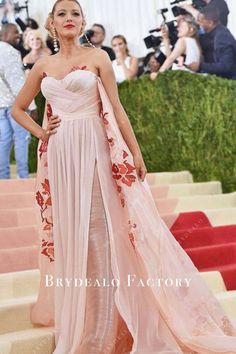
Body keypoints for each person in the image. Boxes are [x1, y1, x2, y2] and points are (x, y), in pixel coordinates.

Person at [12, 0, 236, 353]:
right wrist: (41, 133)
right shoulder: (42, 65)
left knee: (99, 235)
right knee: (74, 238)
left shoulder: (98, 58)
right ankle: (81, 323)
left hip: (96, 150)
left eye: (74, 13)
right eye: (61, 14)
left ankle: (103, 332)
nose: (69, 19)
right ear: (52, 24)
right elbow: (16, 108)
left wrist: (136, 152)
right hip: (60, 156)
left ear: (82, 21)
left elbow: (117, 110)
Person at [0, 23, 30, 179]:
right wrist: (29, 106)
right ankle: (23, 178)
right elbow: (17, 83)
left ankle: (3, 180)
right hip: (15, 107)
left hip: (1, 107)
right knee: (21, 140)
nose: (18, 35)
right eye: (15, 32)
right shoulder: (9, 52)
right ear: (4, 35)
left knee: (3, 143)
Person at [187, 6, 236, 80]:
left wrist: (200, 66)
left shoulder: (221, 37)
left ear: (210, 23)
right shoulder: (218, 32)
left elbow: (226, 66)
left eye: (200, 21)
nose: (198, 23)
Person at [150, 15, 201, 80]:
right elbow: (172, 59)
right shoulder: (194, 42)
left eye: (182, 27)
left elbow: (171, 59)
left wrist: (159, 74)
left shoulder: (183, 40)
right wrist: (166, 39)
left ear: (191, 29)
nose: (178, 29)